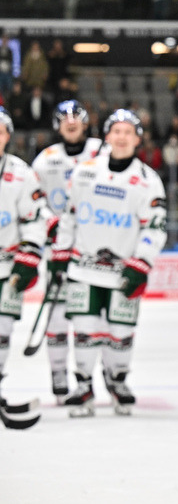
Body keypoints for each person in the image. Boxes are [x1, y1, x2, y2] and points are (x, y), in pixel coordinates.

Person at [53, 109, 167, 417]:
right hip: (84, 268)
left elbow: (155, 227)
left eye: (128, 132)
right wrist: (60, 254)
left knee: (120, 333)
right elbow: (69, 216)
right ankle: (84, 384)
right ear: (107, 136)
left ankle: (117, 380)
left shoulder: (148, 180)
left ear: (137, 139)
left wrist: (140, 263)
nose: (121, 137)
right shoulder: (85, 171)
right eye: (116, 131)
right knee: (85, 330)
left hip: (123, 272)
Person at [30, 100, 104, 403]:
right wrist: (53, 227)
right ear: (57, 126)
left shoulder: (103, 151)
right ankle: (58, 373)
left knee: (94, 318)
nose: (71, 122)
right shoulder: (45, 160)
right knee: (58, 316)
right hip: (60, 250)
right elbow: (34, 199)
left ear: (86, 123)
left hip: (96, 248)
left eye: (76, 118)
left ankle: (94, 376)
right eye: (65, 119)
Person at [0, 107, 51, 411]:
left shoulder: (21, 173)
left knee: (2, 330)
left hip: (8, 267)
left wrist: (30, 254)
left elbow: (34, 219)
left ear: (7, 136)